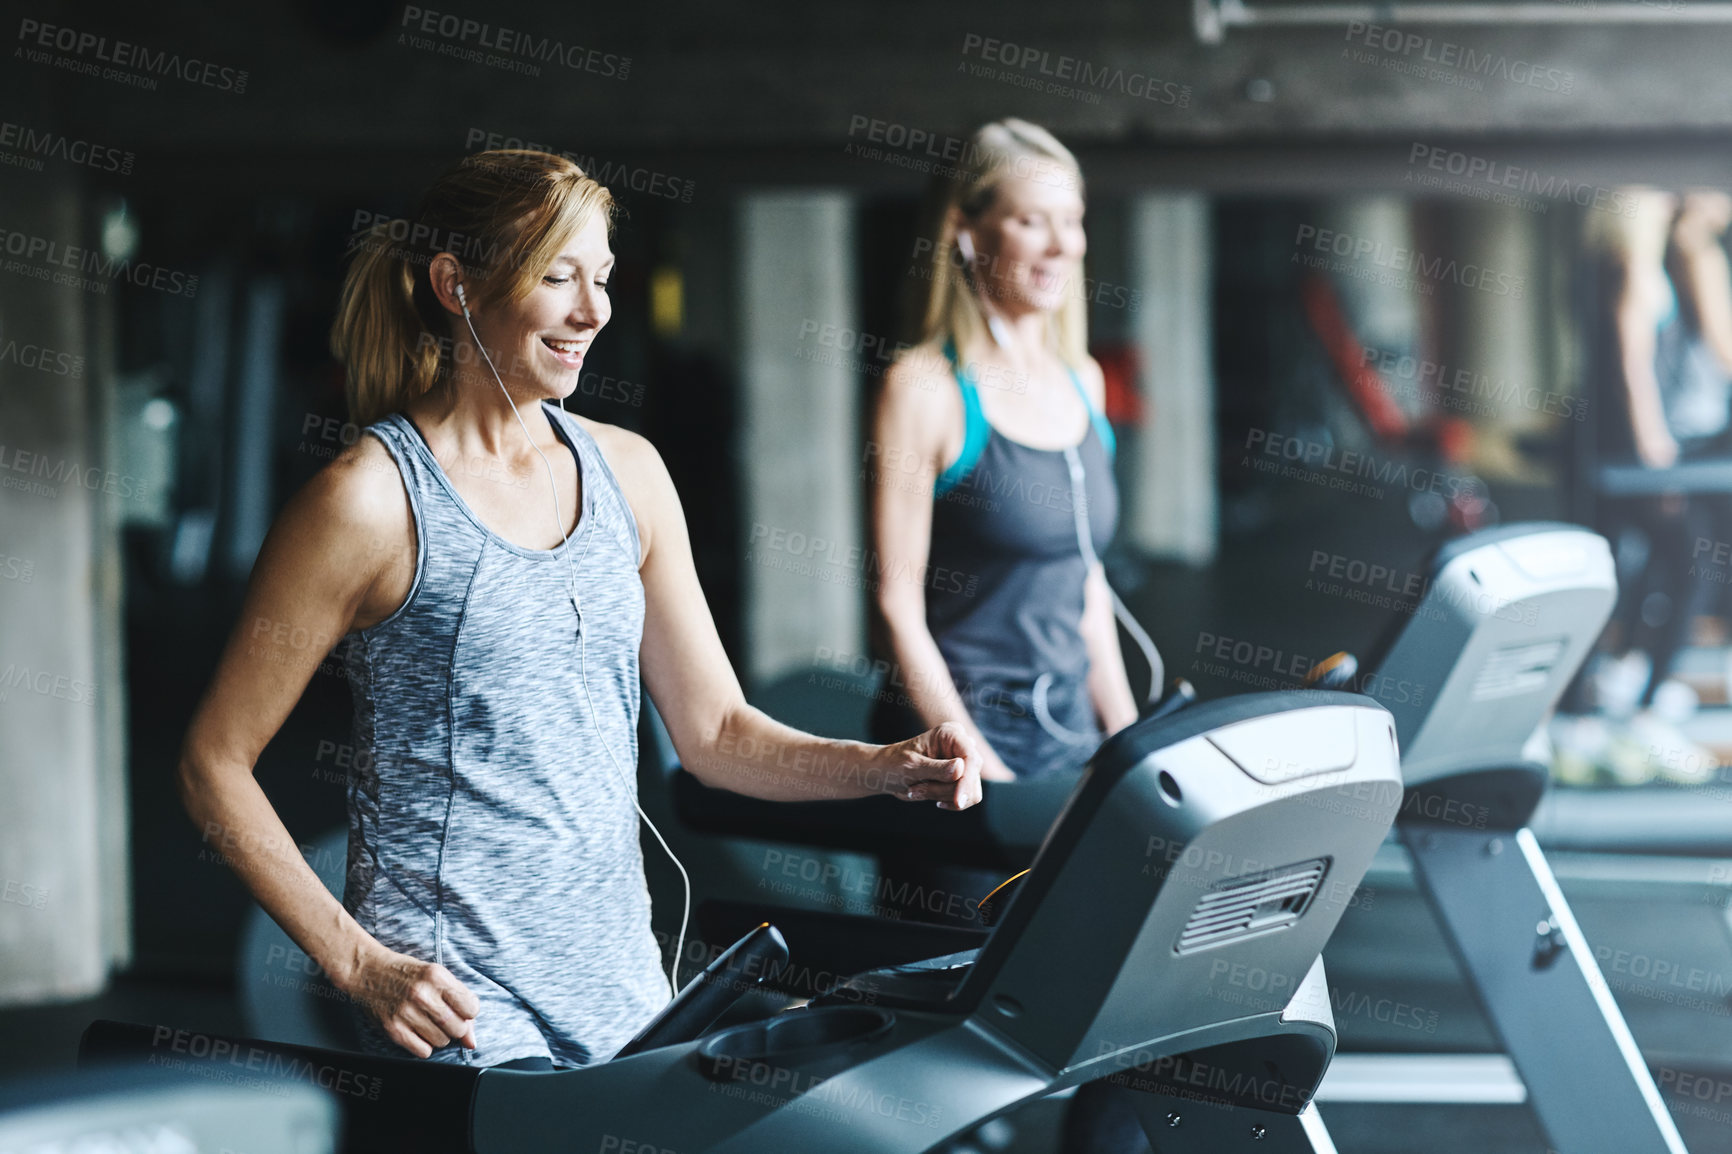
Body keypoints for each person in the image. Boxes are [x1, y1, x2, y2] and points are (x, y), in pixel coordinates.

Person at [174, 149, 982, 1071]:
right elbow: (213, 764)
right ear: (456, 285)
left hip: (623, 990)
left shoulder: (628, 473)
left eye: (600, 277)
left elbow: (717, 732)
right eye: (557, 277)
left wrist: (882, 768)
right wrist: (359, 963)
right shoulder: (370, 502)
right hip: (458, 1006)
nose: (593, 310)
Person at [866, 118, 1139, 785]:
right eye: (1031, 222)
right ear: (967, 230)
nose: (1060, 246)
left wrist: (1129, 743)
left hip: (1069, 743)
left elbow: (1086, 581)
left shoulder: (1084, 381)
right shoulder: (925, 388)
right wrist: (979, 770)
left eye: (1071, 221)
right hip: (957, 754)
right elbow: (896, 604)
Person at [1578, 187, 1732, 785]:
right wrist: (1654, 452)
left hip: (1654, 451)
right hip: (1647, 453)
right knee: (1691, 564)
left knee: (1649, 569)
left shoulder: (1642, 267)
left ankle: (1627, 684)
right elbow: (1631, 367)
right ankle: (1633, 703)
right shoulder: (1635, 273)